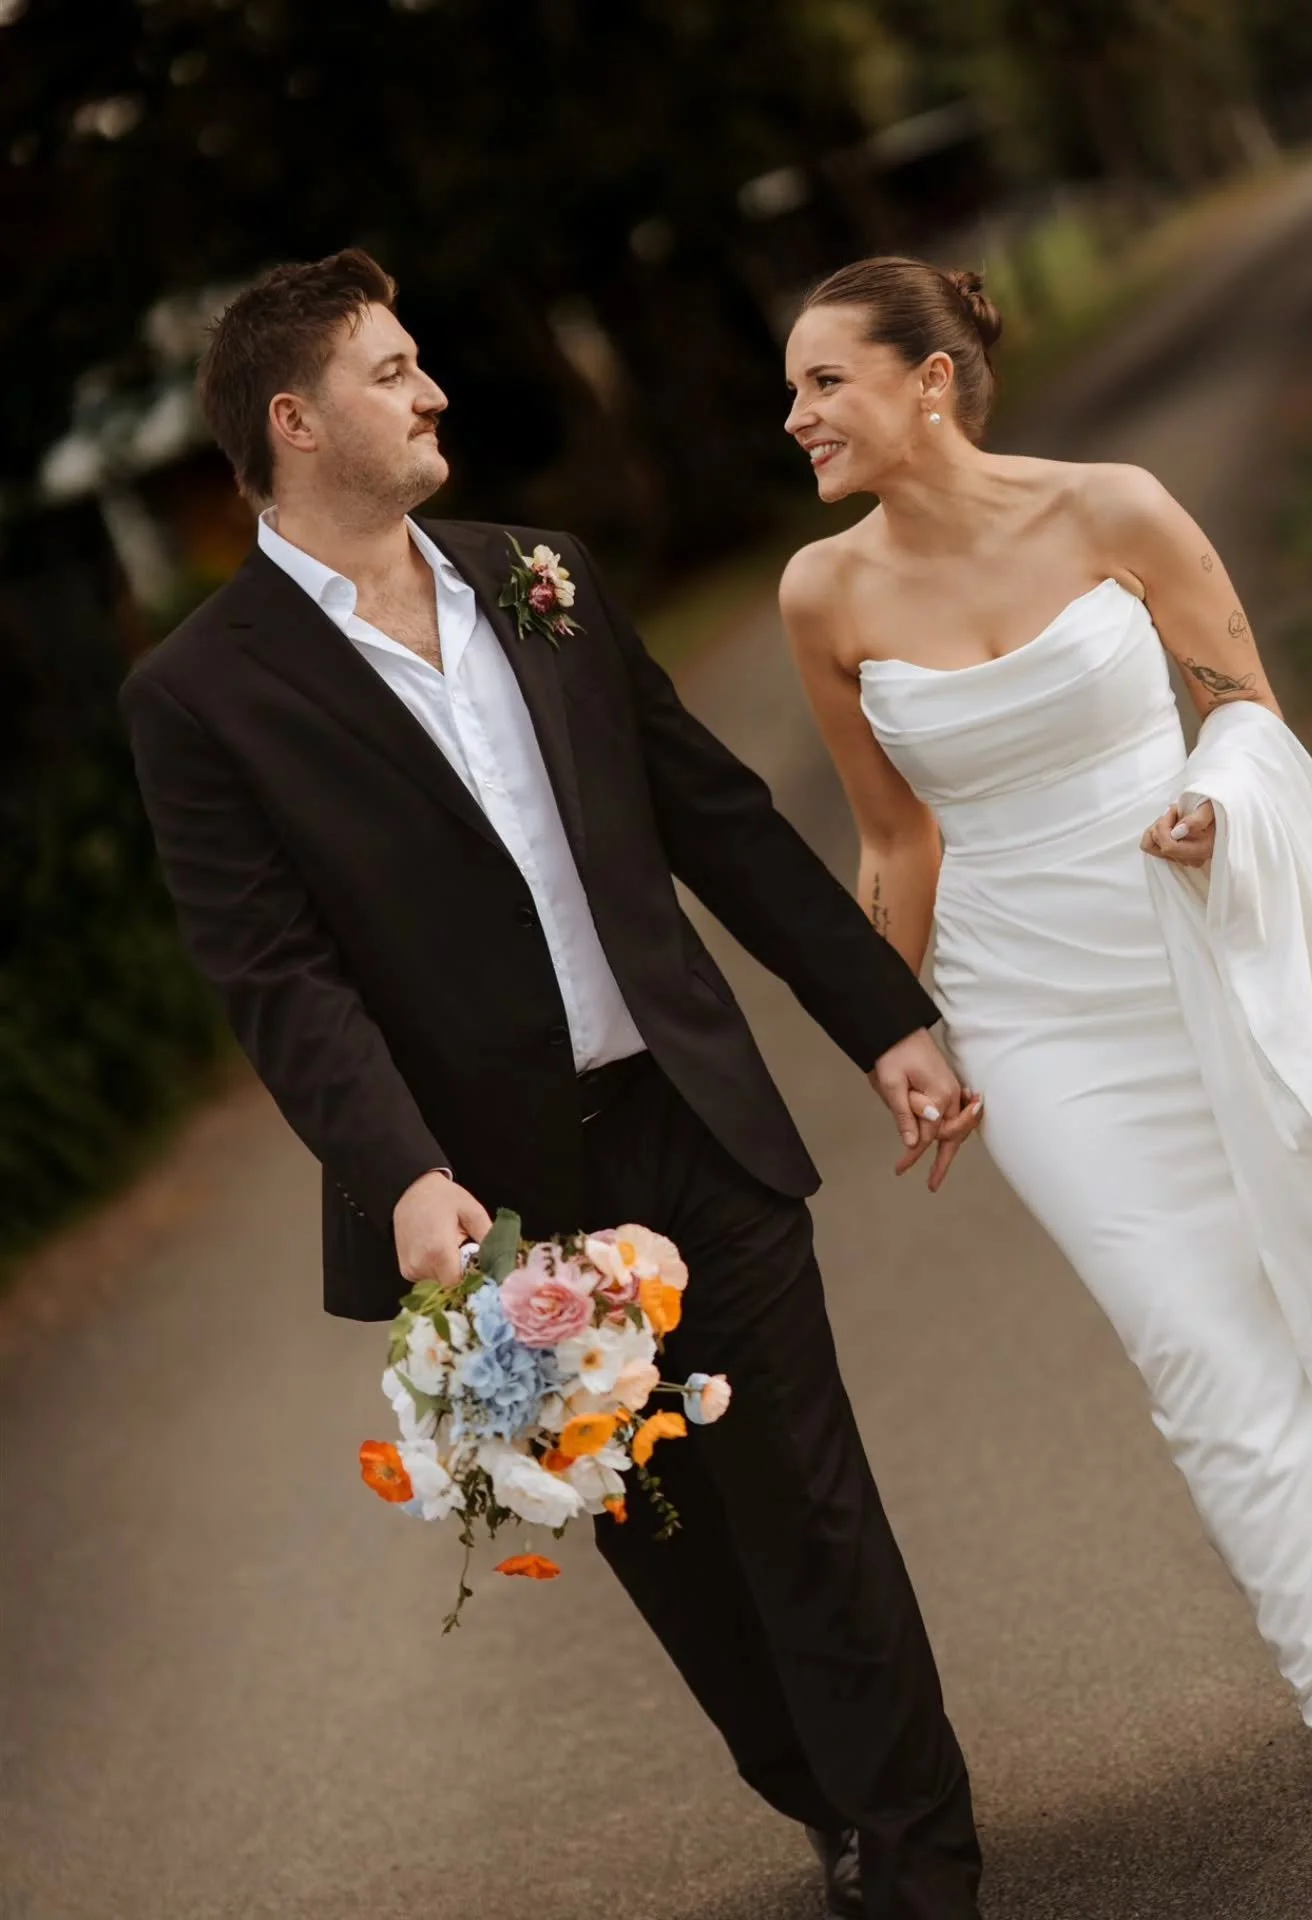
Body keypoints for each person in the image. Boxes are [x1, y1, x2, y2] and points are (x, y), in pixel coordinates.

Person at [120, 249, 988, 1920]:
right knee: (670, 1542)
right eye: (392, 370)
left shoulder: (543, 576)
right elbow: (272, 971)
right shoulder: (200, 697)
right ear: (296, 422)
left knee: (809, 1501)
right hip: (502, 1202)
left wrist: (881, 1016)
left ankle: (924, 1860)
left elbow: (715, 815)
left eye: (421, 360)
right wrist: (403, 1173)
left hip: (692, 1121)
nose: (432, 391)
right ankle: (831, 1804)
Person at [779, 254, 1312, 1900]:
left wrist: (1218, 801)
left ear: (929, 380)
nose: (793, 417)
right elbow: (890, 833)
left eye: (821, 383)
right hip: (1035, 1015)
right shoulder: (822, 595)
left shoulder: (1117, 509)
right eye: (791, 391)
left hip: (1209, 943)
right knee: (1206, 1359)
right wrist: (896, 1025)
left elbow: (1244, 714)